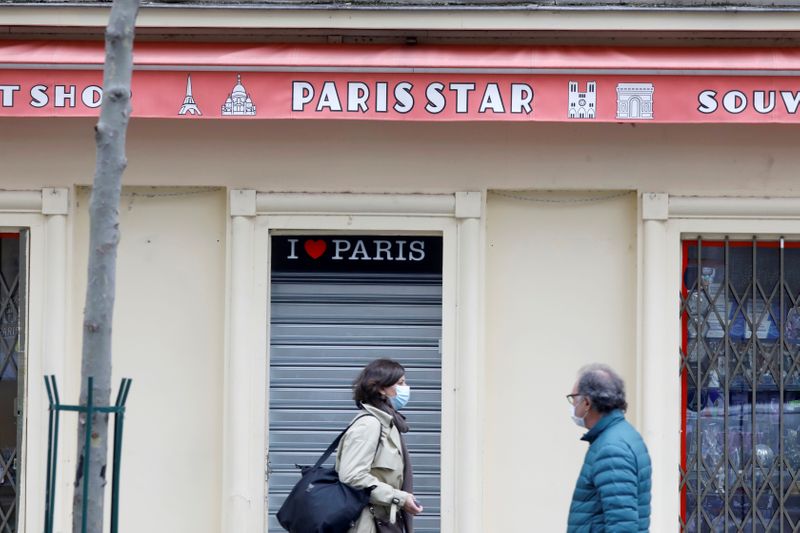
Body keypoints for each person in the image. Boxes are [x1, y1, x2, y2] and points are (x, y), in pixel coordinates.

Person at [336, 358, 423, 533]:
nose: (405, 388)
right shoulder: (369, 425)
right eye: (400, 383)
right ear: (382, 388)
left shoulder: (388, 424)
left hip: (385, 522)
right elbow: (352, 476)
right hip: (367, 524)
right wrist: (398, 498)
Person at [567, 364, 652, 533]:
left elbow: (622, 527)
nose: (572, 405)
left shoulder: (612, 449)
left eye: (573, 398)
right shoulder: (619, 435)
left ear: (586, 403)